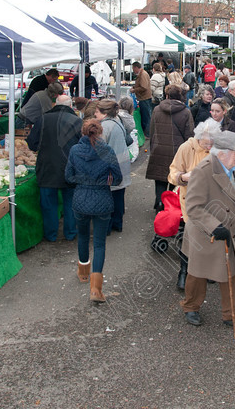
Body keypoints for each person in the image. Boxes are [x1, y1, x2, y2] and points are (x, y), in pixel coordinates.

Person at [180, 130, 235, 327]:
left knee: (230, 272)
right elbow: (193, 206)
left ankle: (232, 313)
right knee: (197, 274)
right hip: (204, 232)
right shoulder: (203, 171)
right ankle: (191, 307)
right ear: (221, 153)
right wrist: (214, 226)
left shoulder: (233, 166)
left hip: (226, 231)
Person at [65, 119, 123, 303]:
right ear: (99, 133)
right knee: (99, 244)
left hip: (81, 199)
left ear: (82, 133)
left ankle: (83, 272)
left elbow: (68, 177)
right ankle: (96, 289)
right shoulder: (107, 150)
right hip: (102, 199)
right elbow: (118, 178)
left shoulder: (75, 150)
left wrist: (82, 181)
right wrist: (105, 182)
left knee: (82, 236)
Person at [168, 119, 221, 289]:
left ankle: (206, 271)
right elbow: (173, 171)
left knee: (209, 237)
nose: (209, 147)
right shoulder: (186, 148)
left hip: (211, 201)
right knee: (189, 239)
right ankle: (184, 272)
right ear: (198, 138)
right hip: (190, 201)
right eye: (206, 143)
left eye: (212, 143)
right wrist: (182, 177)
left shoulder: (218, 150)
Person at [27, 95, 82, 242]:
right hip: (70, 168)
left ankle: (51, 235)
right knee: (70, 202)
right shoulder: (77, 121)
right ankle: (70, 233)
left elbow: (32, 143)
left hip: (47, 167)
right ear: (71, 106)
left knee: (48, 204)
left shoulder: (43, 119)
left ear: (55, 105)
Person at [146, 84, 195, 211]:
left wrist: (153, 148)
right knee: (175, 180)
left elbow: (152, 131)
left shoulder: (157, 109)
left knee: (160, 180)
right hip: (178, 152)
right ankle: (171, 208)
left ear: (166, 95)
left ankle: (160, 205)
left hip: (159, 149)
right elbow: (190, 136)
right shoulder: (186, 112)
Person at [95, 99, 131, 234]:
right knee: (118, 196)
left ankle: (107, 227)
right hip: (121, 163)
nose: (95, 114)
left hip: (110, 166)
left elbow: (100, 148)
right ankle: (117, 224)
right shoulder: (117, 121)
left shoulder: (104, 127)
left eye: (97, 112)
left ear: (104, 113)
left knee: (108, 197)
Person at [131, 62, 153, 138]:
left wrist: (134, 90)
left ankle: (147, 134)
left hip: (144, 98)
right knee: (146, 116)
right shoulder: (142, 74)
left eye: (133, 68)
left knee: (146, 117)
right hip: (144, 98)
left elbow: (144, 87)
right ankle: (147, 133)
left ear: (136, 67)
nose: (133, 70)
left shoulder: (143, 74)